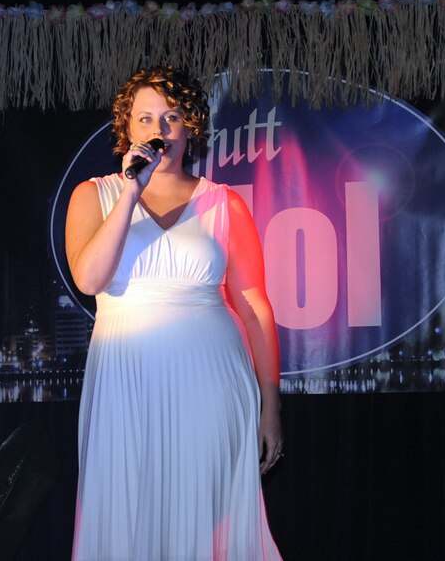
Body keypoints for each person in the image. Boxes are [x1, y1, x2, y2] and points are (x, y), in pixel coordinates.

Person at [66, 66, 283, 560]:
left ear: (190, 127)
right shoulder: (93, 195)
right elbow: (90, 280)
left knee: (207, 518)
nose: (158, 129)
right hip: (126, 382)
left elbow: (255, 307)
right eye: (145, 118)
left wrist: (271, 404)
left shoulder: (225, 203)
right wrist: (131, 192)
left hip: (213, 382)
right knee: (127, 515)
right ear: (127, 128)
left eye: (171, 117)